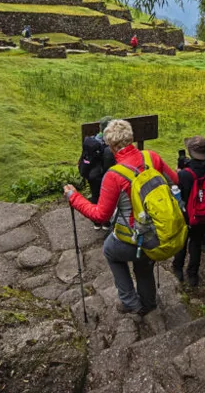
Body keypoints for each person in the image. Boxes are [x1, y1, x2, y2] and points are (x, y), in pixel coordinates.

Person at [64, 119, 179, 315]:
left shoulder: (114, 175)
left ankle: (130, 302)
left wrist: (74, 197)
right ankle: (148, 303)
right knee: (143, 262)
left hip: (136, 236)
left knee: (110, 249)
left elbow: (101, 215)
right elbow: (174, 181)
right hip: (160, 230)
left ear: (111, 146)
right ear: (131, 138)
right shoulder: (151, 157)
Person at [172, 136, 205, 287]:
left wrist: (178, 173)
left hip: (186, 214)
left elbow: (177, 195)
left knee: (182, 242)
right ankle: (193, 274)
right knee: (196, 244)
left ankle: (178, 267)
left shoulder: (184, 174)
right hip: (203, 214)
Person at [77, 116, 117, 228]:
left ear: (100, 127)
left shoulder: (92, 140)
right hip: (103, 175)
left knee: (95, 195)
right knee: (106, 197)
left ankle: (96, 222)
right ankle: (106, 222)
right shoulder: (109, 143)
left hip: (91, 173)